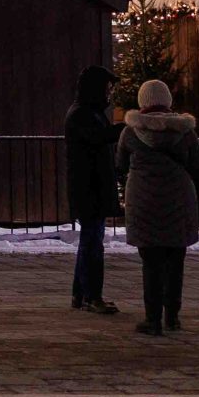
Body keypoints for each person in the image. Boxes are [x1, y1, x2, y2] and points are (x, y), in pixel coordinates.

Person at [117, 78, 199, 335]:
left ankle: (152, 319)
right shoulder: (185, 131)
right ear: (168, 101)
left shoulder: (130, 132)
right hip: (178, 200)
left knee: (151, 262)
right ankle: (173, 317)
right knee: (176, 259)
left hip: (143, 202)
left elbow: (120, 165)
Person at [64, 65, 122, 314]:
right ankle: (91, 295)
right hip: (90, 189)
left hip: (91, 188)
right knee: (92, 243)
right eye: (107, 89)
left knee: (90, 241)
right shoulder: (83, 115)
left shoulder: (88, 112)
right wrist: (125, 127)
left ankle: (81, 294)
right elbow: (99, 137)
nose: (110, 94)